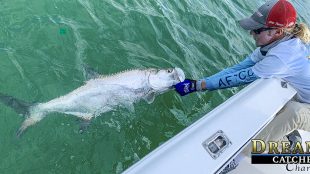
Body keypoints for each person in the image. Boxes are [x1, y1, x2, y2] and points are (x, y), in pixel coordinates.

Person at [175, 0, 310, 173]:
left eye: (257, 30)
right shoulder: (273, 44)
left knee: (294, 113)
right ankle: (292, 134)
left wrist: (198, 87)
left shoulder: (281, 58)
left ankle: (237, 158)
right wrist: (200, 82)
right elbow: (238, 68)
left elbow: (238, 79)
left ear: (277, 31)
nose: (251, 33)